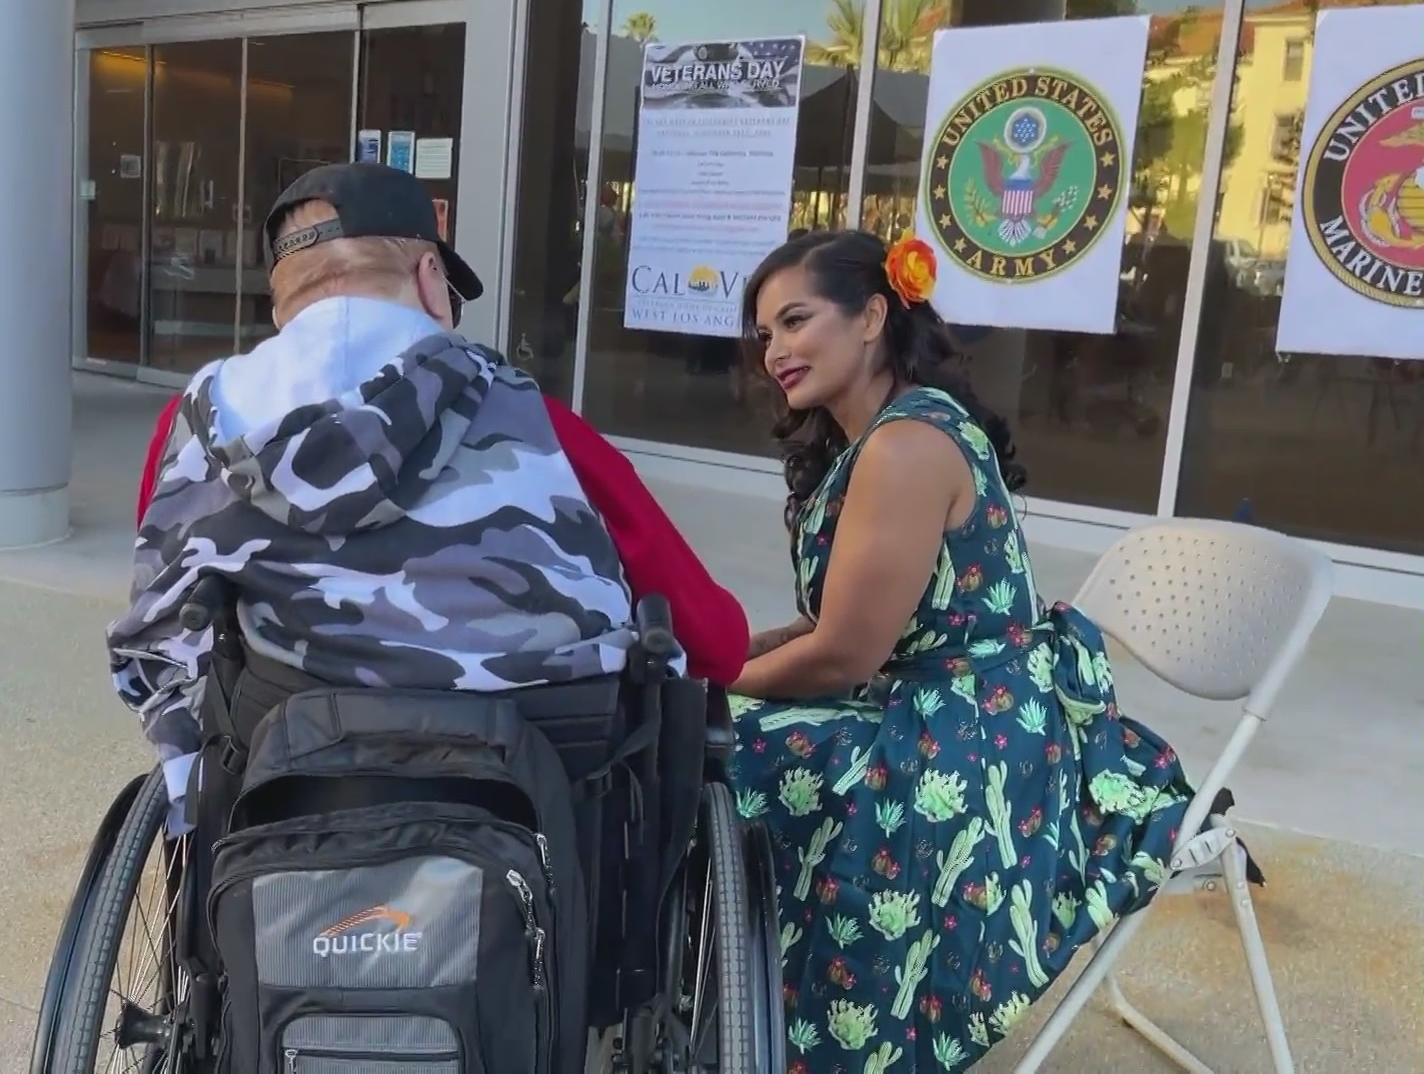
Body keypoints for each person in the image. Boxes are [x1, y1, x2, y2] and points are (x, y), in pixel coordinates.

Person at [112, 162, 749, 830]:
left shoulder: (200, 426)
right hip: (536, 805)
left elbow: (157, 616)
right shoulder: (542, 426)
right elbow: (716, 644)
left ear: (281, 307)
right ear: (430, 281)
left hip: (283, 785)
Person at [727, 229, 1194, 1072]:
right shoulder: (874, 438)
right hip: (942, 699)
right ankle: (744, 1004)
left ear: (872, 315)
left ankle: (784, 1023)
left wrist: (713, 686)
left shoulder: (907, 447)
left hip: (977, 735)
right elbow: (833, 624)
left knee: (713, 749)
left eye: (796, 321)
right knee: (706, 723)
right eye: (765, 334)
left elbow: (843, 657)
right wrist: (722, 656)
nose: (778, 352)